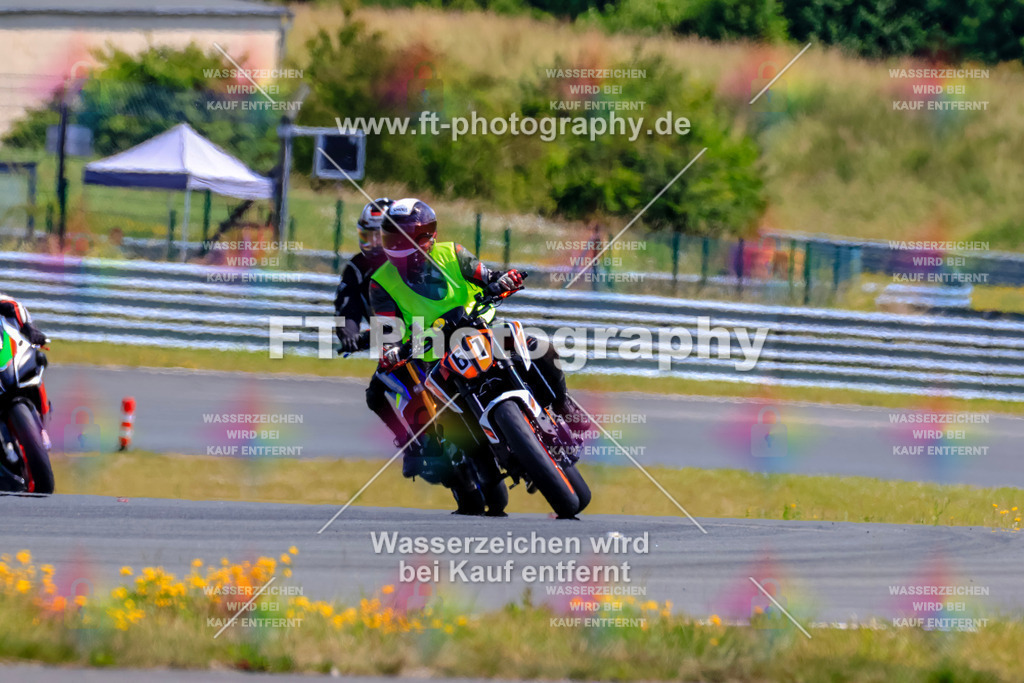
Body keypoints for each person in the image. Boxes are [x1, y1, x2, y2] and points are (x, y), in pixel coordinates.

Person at [364, 198, 586, 482]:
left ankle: (562, 403)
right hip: (434, 354)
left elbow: (487, 275)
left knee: (540, 348)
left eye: (401, 236)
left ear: (425, 236)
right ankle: (472, 459)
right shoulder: (381, 282)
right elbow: (387, 331)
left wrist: (504, 280)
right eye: (390, 237)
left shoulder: (452, 253)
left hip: (478, 328)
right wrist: (393, 351)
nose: (394, 244)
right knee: (442, 413)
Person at [333, 198, 392, 353]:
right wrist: (349, 334)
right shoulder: (357, 268)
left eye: (378, 236)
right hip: (392, 349)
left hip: (431, 339)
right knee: (382, 378)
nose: (373, 242)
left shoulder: (414, 262)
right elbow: (347, 306)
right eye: (368, 236)